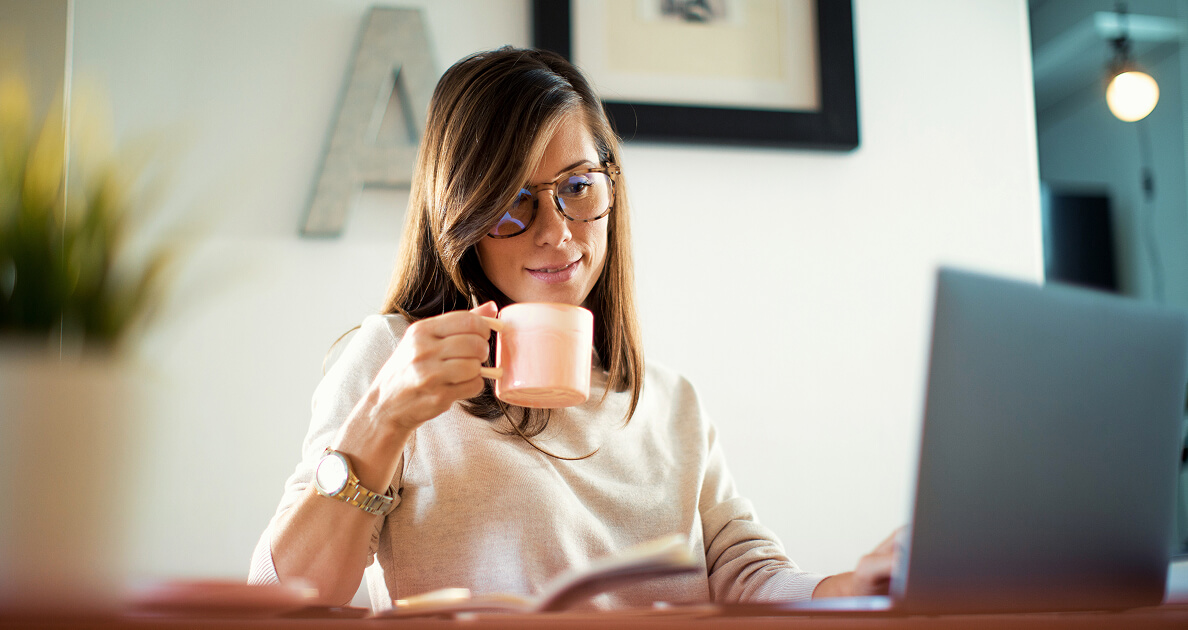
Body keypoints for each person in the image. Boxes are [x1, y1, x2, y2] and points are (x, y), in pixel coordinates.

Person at [248, 46, 895, 610]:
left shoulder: (670, 404)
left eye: (578, 187)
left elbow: (748, 576)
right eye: (511, 204)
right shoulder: (397, 362)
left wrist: (854, 587)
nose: (556, 231)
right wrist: (381, 421)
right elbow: (281, 596)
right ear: (462, 218)